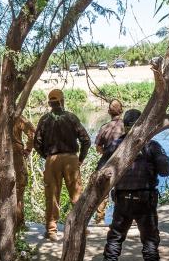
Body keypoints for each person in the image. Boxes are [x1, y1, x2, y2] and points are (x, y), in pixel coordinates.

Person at [100, 109, 169, 261]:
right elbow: (166, 170)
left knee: (116, 236)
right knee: (149, 238)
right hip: (144, 200)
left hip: (122, 199)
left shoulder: (115, 145)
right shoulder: (151, 145)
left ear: (125, 125)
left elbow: (101, 170)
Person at [34, 89, 90, 240]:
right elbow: (86, 140)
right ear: (62, 101)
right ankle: (81, 228)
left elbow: (36, 143)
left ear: (50, 103)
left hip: (52, 160)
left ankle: (52, 231)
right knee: (77, 194)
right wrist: (80, 159)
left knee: (52, 195)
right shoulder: (71, 117)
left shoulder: (44, 119)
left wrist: (47, 156)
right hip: (71, 159)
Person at [93, 99, 124, 225]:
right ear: (121, 111)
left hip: (107, 162)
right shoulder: (127, 126)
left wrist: (107, 151)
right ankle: (120, 218)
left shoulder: (105, 127)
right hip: (124, 163)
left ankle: (100, 219)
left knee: (102, 190)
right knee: (122, 190)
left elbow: (98, 148)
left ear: (109, 112)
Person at [11, 114, 35, 228]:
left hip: (5, 156)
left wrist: (28, 149)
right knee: (19, 188)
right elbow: (32, 132)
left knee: (18, 188)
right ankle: (18, 223)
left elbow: (32, 133)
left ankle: (17, 222)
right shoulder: (18, 116)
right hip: (15, 156)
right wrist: (29, 149)